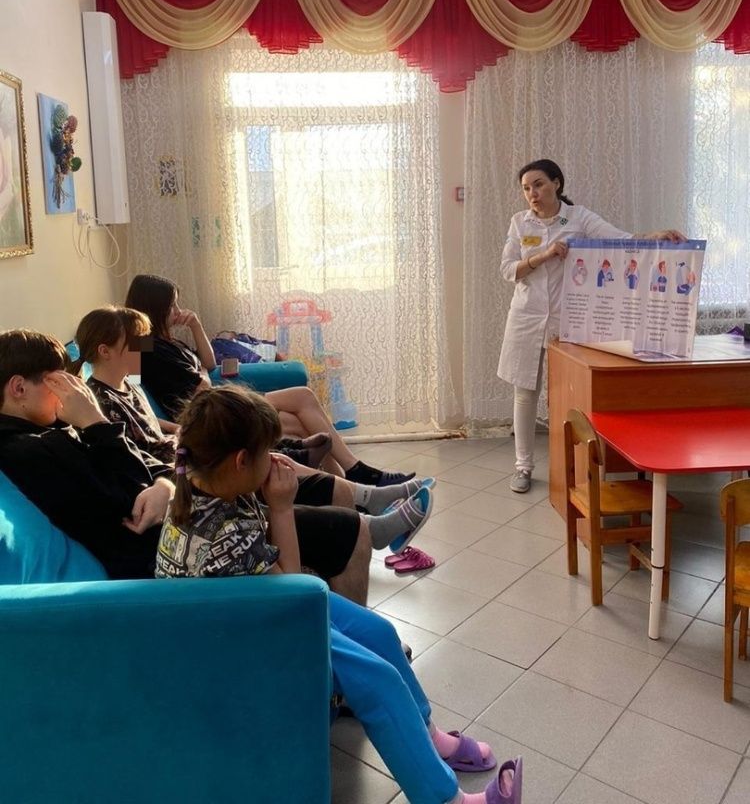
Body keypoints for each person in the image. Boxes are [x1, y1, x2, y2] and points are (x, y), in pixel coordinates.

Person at [155, 385, 522, 804]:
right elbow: (294, 590)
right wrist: (281, 506)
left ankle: (427, 736)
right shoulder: (224, 531)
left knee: (379, 633)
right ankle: (445, 798)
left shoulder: (210, 490)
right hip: (240, 644)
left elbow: (281, 589)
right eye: (267, 453)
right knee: (378, 682)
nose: (275, 459)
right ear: (240, 461)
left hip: (256, 611)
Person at [72, 306, 434, 604]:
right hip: (191, 458)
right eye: (135, 342)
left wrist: (181, 430)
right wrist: (280, 506)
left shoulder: (130, 386)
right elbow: (293, 593)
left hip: (191, 451)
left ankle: (362, 501)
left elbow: (153, 430)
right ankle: (359, 500)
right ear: (106, 351)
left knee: (293, 440)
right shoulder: (101, 403)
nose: (144, 347)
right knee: (289, 441)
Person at [497, 158, 685, 494]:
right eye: (526, 188)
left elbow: (621, 240)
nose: (532, 194)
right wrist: (543, 255)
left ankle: (572, 468)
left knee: (569, 394)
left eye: (538, 184)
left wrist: (654, 237)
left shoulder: (578, 218)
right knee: (524, 392)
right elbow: (509, 270)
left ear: (556, 183)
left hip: (567, 318)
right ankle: (523, 466)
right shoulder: (519, 222)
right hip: (526, 316)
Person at [124, 274, 415, 487]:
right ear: (155, 308)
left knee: (303, 424)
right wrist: (198, 376)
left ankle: (351, 487)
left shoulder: (162, 342)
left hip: (217, 403)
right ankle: (358, 474)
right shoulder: (148, 348)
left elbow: (209, 365)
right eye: (172, 307)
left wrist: (196, 326)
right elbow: (201, 384)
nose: (178, 312)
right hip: (211, 413)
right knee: (303, 396)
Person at [0, 329, 174, 578]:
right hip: (157, 563)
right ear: (19, 388)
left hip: (168, 536)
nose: (72, 391)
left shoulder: (55, 427)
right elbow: (132, 501)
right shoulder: (26, 451)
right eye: (59, 382)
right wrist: (96, 423)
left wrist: (165, 483)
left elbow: (149, 465)